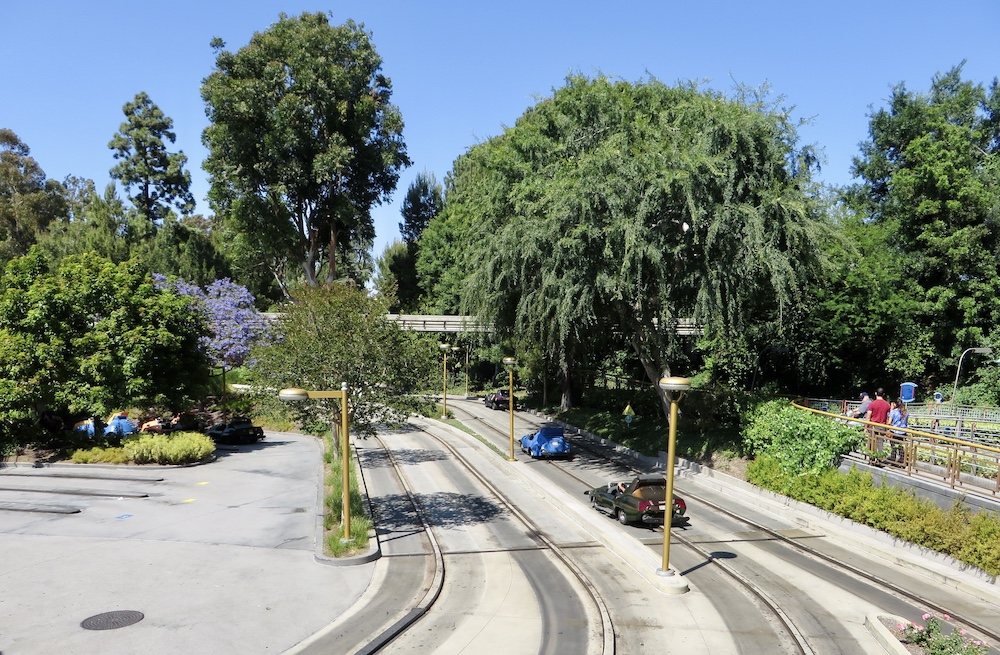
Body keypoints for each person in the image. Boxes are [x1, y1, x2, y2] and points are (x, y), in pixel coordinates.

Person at [888, 398, 908, 464]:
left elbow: (889, 422)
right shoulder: (906, 412)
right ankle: (902, 461)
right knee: (901, 447)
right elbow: (906, 423)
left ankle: (893, 461)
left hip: (894, 432)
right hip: (903, 432)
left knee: (893, 447)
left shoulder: (893, 412)